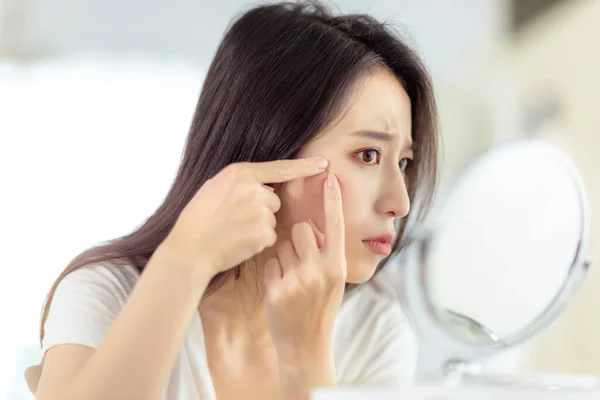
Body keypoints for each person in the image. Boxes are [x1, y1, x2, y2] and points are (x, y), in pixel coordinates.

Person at [25, 2, 438, 399]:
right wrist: (185, 259)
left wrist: (306, 360)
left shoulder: (374, 332)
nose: (399, 202)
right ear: (272, 148)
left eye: (403, 162)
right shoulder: (105, 294)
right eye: (368, 155)